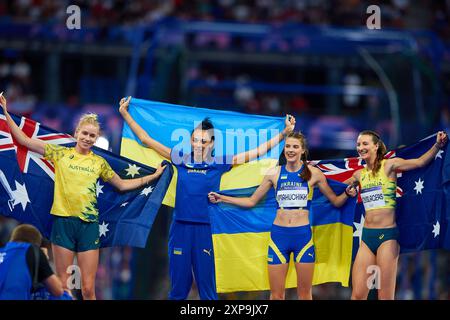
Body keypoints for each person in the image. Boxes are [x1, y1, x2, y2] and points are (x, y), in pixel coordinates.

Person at [119, 96, 296, 300]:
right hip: (180, 229)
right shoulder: (181, 158)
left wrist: (283, 134)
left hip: (208, 230)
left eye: (203, 141)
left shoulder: (219, 163)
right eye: (195, 140)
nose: (198, 145)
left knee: (208, 292)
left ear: (211, 143)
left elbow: (255, 152)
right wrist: (125, 114)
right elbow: (146, 140)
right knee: (177, 291)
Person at [1, 94, 166, 300]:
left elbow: (122, 185)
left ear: (97, 138)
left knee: (88, 289)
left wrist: (153, 177)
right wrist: (6, 112)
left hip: (89, 227)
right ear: (76, 133)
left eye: (92, 136)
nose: (88, 138)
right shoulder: (60, 153)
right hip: (63, 223)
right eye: (85, 133)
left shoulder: (99, 162)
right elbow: (23, 140)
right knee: (64, 285)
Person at [208, 131, 356, 300]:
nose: (290, 150)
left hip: (303, 239)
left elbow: (335, 202)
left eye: (295, 147)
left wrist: (347, 193)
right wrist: (222, 198)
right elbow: (251, 201)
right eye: (287, 146)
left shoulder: (314, 174)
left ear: (303, 151)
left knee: (305, 295)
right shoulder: (274, 173)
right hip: (279, 238)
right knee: (276, 295)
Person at [345, 130, 448, 300]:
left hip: (387, 237)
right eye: (358, 144)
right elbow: (342, 189)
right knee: (357, 295)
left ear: (376, 146)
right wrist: (349, 190)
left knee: (385, 296)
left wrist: (437, 145)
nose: (360, 147)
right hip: (366, 237)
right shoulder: (358, 175)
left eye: (365, 143)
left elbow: (420, 162)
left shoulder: (389, 165)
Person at [0, 224, 64, 300]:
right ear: (36, 244)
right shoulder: (33, 250)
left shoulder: (2, 251)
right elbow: (57, 290)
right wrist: (43, 260)